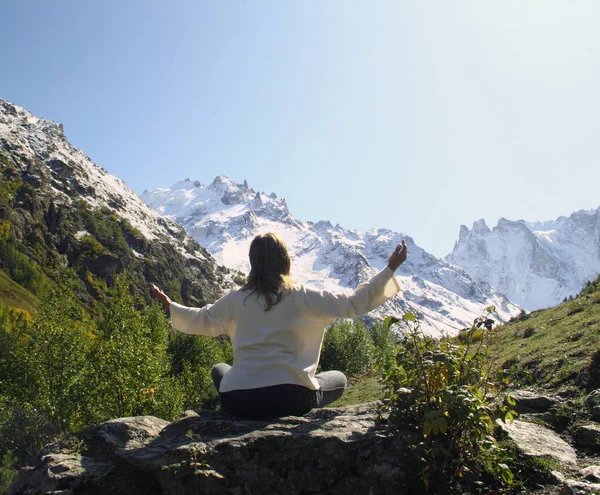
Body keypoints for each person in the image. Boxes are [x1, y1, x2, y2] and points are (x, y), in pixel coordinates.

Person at [151, 232, 407, 419]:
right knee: (338, 379)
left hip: (239, 401)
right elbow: (353, 303)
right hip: (290, 399)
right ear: (285, 261)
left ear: (253, 263)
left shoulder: (236, 298)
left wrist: (170, 305)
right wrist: (389, 269)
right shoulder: (302, 295)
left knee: (220, 369)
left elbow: (201, 319)